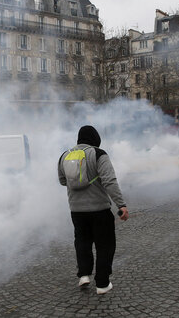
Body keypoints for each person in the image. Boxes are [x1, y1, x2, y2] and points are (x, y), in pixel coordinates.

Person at [57, 125, 129, 295]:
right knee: (105, 245)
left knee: (82, 242)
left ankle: (83, 275)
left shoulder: (64, 156)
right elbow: (109, 181)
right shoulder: (98, 154)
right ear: (95, 138)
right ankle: (102, 284)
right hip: (99, 210)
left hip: (76, 210)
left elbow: (62, 181)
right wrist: (121, 204)